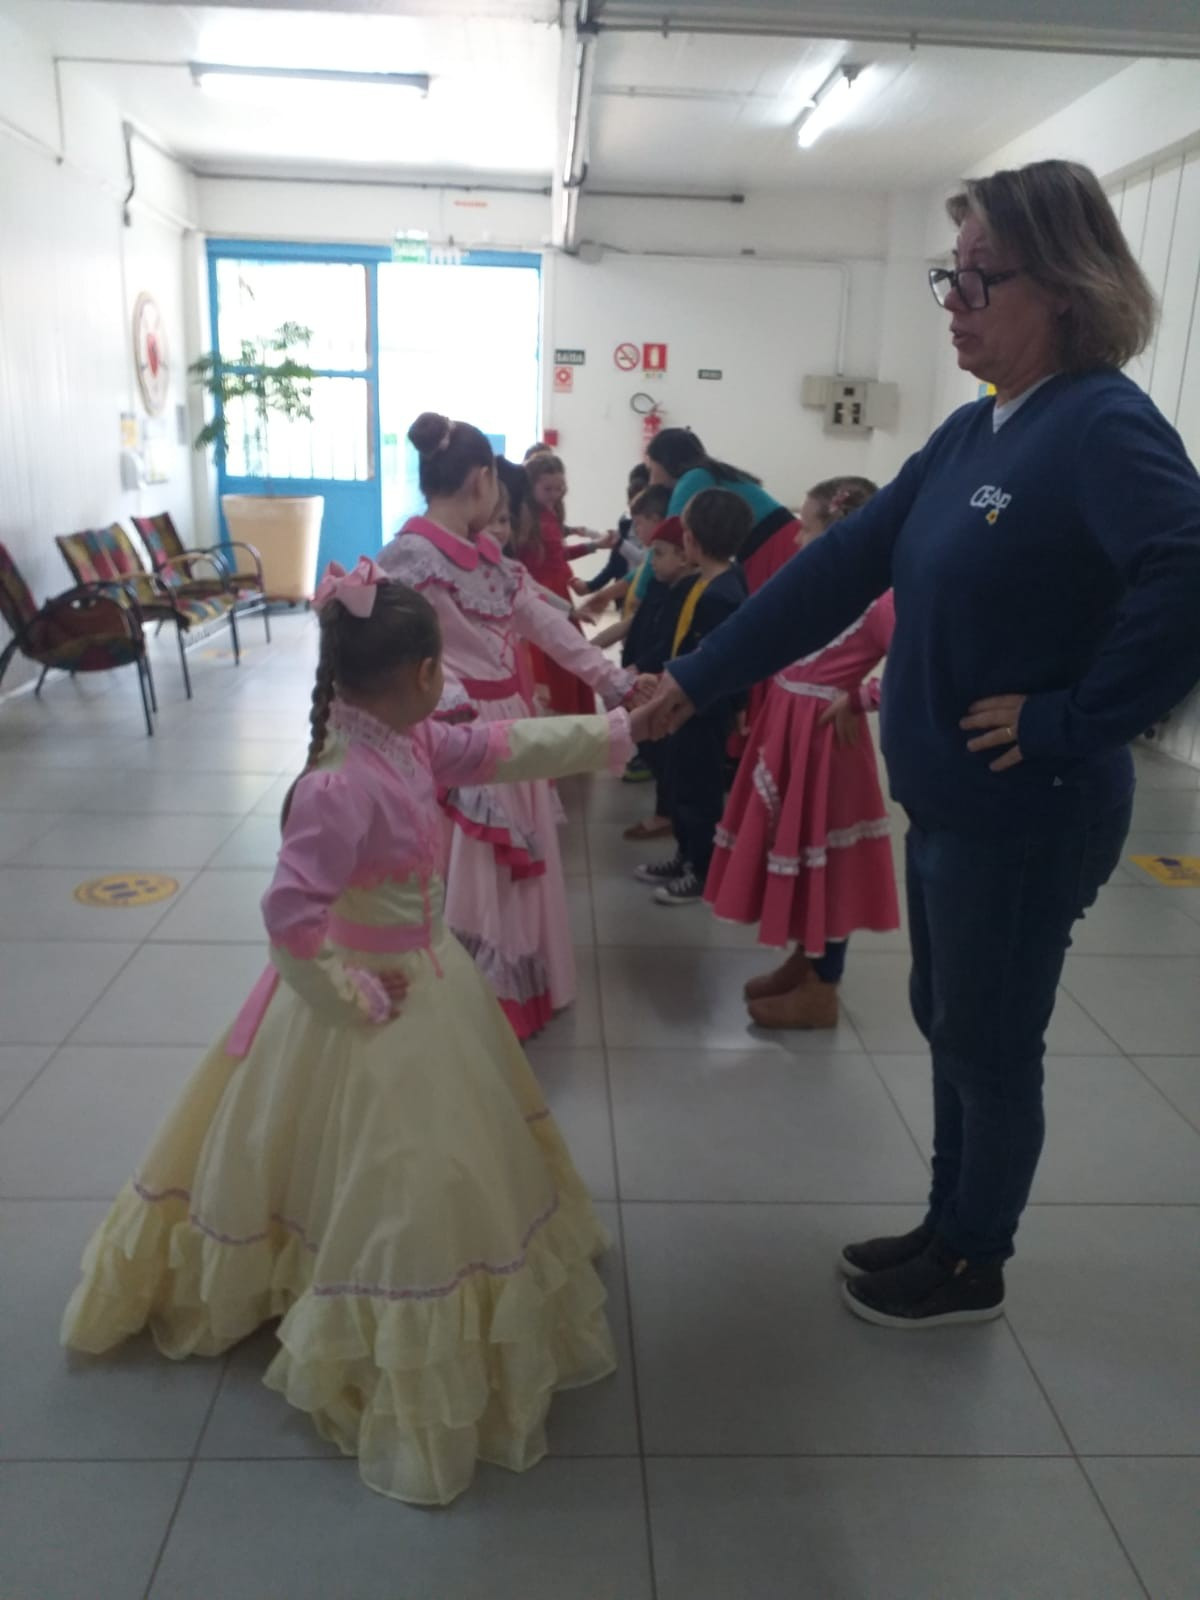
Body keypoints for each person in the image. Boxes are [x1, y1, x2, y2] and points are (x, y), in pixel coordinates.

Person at [642, 159, 1200, 1329]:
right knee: (949, 1019)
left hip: (1029, 808)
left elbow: (1187, 568)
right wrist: (697, 677)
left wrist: (1074, 716)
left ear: (1063, 286)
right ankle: (947, 1224)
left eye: (979, 277)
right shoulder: (971, 434)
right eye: (952, 274)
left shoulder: (1100, 424)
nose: (954, 301)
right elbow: (839, 570)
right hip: (951, 803)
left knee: (990, 1041)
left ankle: (973, 1260)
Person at [62, 560, 652, 1506]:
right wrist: (350, 997)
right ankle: (377, 1305)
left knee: (405, 1156)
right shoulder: (341, 786)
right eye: (443, 671)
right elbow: (290, 921)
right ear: (422, 674)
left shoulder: (409, 742)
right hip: (372, 998)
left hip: (428, 978)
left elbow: (500, 746)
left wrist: (616, 730)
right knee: (397, 1168)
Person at [379, 414, 639, 1039]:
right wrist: (458, 712)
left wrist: (616, 683)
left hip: (500, 727)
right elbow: (405, 658)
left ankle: (509, 990)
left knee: (504, 863)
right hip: (455, 730)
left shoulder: (484, 556)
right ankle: (469, 999)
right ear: (482, 480)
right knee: (468, 866)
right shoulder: (411, 559)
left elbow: (545, 624)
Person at [707, 476, 899, 1031]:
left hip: (824, 741)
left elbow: (921, 664)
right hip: (789, 727)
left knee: (827, 860)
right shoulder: (818, 587)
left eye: (807, 527)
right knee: (793, 848)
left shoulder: (881, 600)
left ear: (840, 533)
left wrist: (860, 697)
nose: (795, 539)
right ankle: (807, 959)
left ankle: (824, 985)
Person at [636, 489, 752, 905]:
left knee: (699, 793)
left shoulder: (722, 595)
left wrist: (737, 705)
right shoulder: (707, 583)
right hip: (686, 704)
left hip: (702, 710)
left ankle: (702, 870)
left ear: (691, 541)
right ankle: (684, 856)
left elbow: (730, 658)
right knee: (680, 783)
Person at [513, 451, 610, 714]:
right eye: (548, 489)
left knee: (570, 660)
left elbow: (556, 555)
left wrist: (593, 547)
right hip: (541, 593)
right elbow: (536, 563)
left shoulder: (550, 512)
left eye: (559, 488)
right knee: (554, 663)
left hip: (558, 590)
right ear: (531, 485)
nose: (555, 494)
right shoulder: (525, 517)